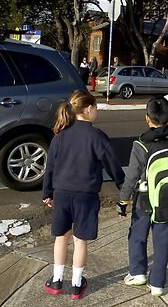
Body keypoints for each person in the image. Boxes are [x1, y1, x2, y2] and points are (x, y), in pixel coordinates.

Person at [42, 90, 125, 300]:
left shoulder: (60, 135)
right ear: (88, 109)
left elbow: (49, 167)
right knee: (80, 241)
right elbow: (112, 163)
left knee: (61, 237)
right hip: (86, 196)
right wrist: (123, 185)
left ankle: (56, 280)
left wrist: (47, 193)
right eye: (96, 108)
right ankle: (77, 284)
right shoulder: (96, 136)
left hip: (61, 193)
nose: (96, 111)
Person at [117, 97, 168, 297]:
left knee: (138, 235)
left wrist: (123, 201)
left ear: (148, 119)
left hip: (144, 199)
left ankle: (138, 273)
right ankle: (158, 284)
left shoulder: (141, 144)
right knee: (163, 239)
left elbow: (131, 176)